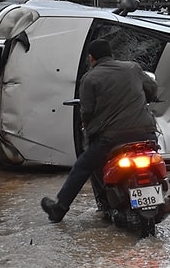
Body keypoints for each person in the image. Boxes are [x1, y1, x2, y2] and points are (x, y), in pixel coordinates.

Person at [41, 38, 159, 223]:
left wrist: (86, 126)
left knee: (83, 165)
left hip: (111, 139)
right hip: (146, 134)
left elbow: (87, 111)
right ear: (111, 55)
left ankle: (59, 209)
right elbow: (152, 89)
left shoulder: (90, 78)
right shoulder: (133, 68)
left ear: (91, 58)